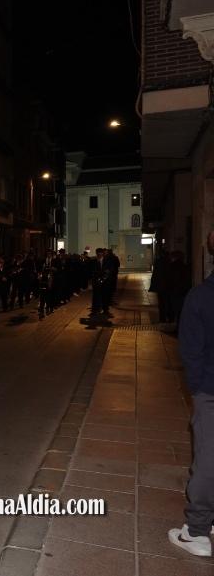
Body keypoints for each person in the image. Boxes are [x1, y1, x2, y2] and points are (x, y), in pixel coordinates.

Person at [169, 231, 214, 557]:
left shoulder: (200, 296)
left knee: (208, 461)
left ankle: (197, 531)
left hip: (210, 390)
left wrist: (199, 388)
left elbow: (191, 351)